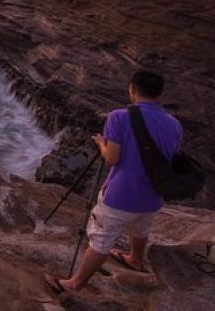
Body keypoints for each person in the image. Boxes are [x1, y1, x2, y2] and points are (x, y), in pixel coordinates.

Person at [45, 70, 182, 295]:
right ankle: (136, 259)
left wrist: (101, 143)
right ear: (160, 94)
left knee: (101, 240)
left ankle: (74, 284)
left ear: (132, 89)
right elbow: (171, 156)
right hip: (153, 196)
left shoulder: (119, 117)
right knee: (141, 227)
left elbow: (112, 158)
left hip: (120, 197)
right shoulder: (174, 125)